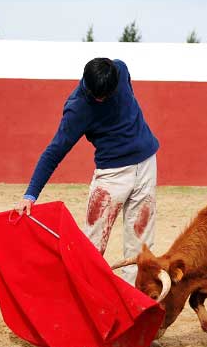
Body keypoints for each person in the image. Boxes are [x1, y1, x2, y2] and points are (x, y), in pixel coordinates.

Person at [15, 57, 159, 285]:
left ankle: (135, 302)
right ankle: (82, 299)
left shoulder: (120, 69)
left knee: (141, 244)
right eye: (96, 96)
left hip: (147, 164)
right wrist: (30, 194)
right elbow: (54, 151)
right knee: (93, 246)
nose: (101, 99)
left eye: (106, 95)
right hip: (112, 175)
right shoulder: (77, 108)